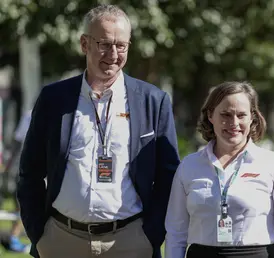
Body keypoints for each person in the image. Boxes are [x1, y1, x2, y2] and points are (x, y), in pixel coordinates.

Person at [17, 4, 180, 258]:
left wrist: (151, 235)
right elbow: (30, 172)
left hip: (130, 242)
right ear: (84, 44)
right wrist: (39, 233)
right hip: (61, 239)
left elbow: (168, 176)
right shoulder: (54, 99)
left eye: (121, 45)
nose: (113, 54)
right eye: (104, 44)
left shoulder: (153, 101)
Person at [165, 81, 274, 258]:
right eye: (225, 114)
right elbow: (176, 233)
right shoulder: (189, 166)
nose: (234, 123)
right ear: (210, 115)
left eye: (241, 115)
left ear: (252, 117)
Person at [1, 110, 32, 253]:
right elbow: (18, 140)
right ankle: (13, 238)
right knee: (21, 205)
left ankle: (15, 237)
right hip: (25, 168)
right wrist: (8, 166)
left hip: (40, 168)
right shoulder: (29, 115)